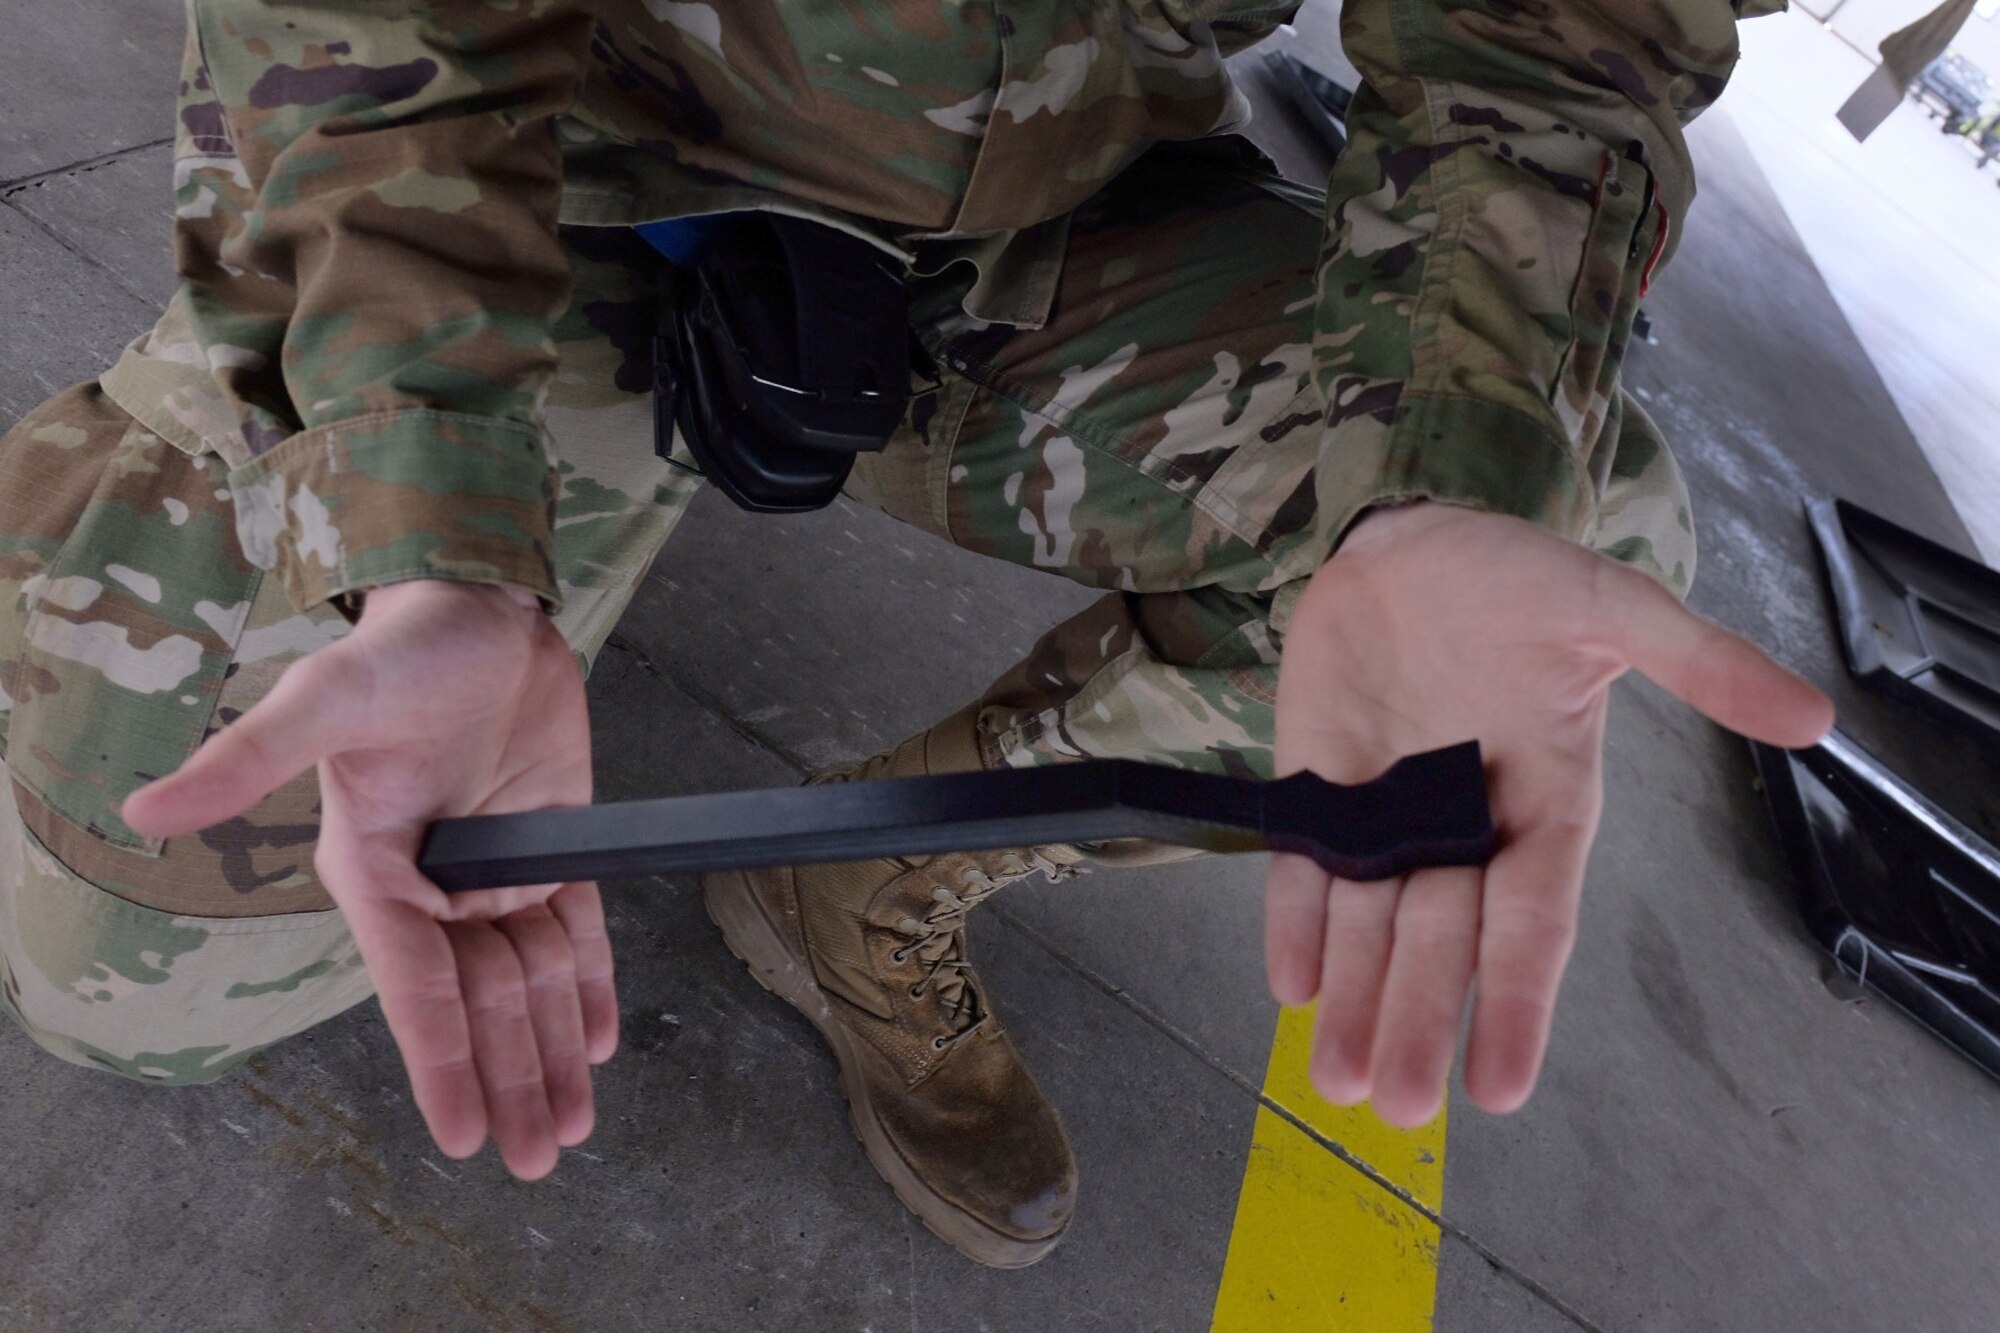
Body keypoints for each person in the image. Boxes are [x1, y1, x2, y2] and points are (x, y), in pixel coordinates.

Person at [0, 0, 1831, 1269]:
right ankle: (276, 489)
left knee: (1554, 545)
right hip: (543, 176)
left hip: (1010, 229)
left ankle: (863, 881)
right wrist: (425, 525)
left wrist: (1451, 480)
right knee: (122, 987)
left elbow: (1556, 46)